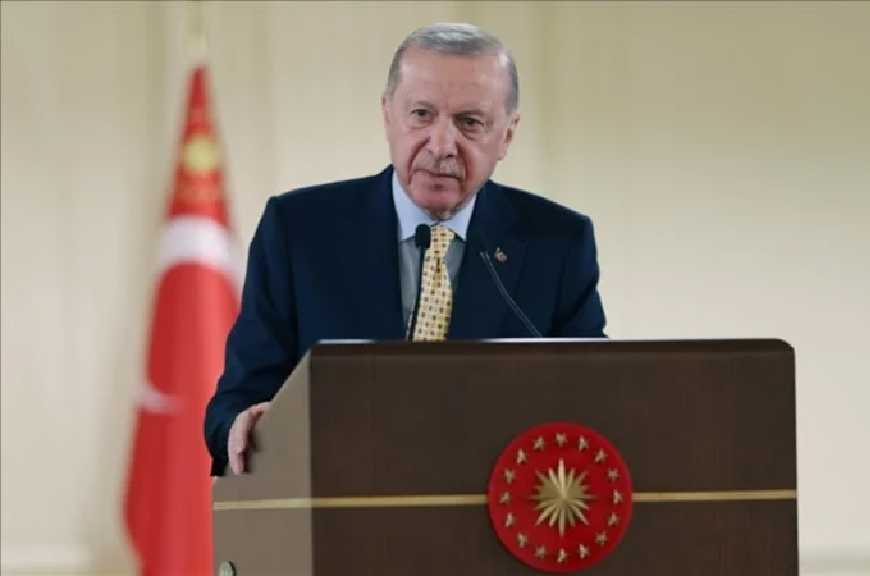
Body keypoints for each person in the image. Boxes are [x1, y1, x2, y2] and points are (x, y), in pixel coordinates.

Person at [204, 23, 607, 476]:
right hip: (341, 505)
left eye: (469, 122)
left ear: (507, 136)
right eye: (421, 114)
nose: (441, 145)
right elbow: (233, 405)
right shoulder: (299, 231)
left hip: (502, 506)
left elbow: (596, 403)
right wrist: (246, 424)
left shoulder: (557, 244)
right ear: (387, 115)